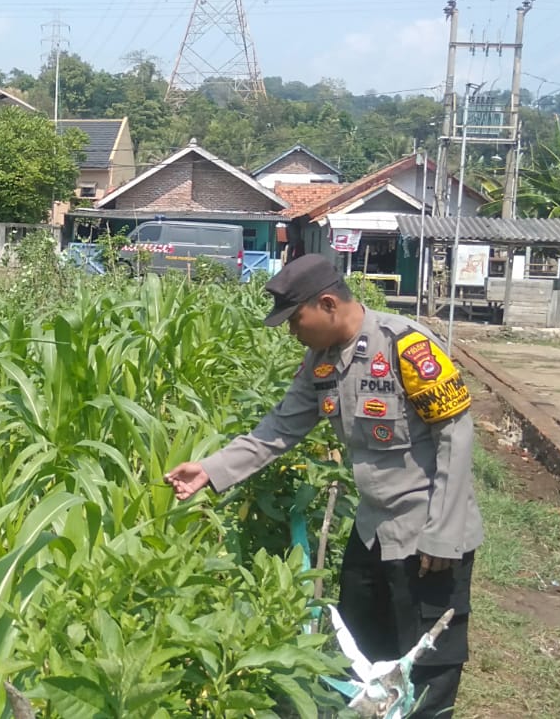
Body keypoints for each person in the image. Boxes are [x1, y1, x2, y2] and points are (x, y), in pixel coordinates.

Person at [165, 254, 481, 718]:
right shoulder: (322, 362)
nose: (292, 332)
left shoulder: (406, 347)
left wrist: (443, 534)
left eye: (296, 319)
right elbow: (280, 427)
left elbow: (455, 434)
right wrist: (211, 470)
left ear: (328, 304)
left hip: (428, 535)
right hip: (373, 531)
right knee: (361, 653)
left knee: (426, 667)